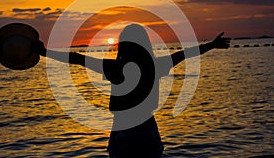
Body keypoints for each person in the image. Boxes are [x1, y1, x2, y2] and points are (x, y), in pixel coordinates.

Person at [35, 24, 230, 158]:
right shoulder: (155, 66)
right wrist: (211, 45)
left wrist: (44, 53)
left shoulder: (114, 68)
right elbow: (184, 55)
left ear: (123, 46)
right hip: (147, 130)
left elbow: (76, 59)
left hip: (122, 131)